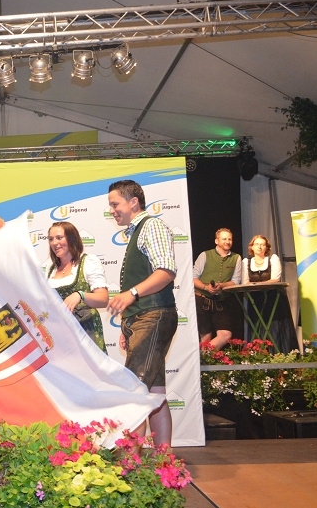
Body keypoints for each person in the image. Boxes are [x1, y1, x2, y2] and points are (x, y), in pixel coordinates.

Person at [106, 180, 177, 448]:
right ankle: (164, 459)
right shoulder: (138, 231)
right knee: (155, 393)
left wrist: (132, 294)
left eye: (115, 204)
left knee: (134, 392)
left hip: (153, 316)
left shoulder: (152, 226)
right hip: (144, 319)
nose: (112, 210)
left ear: (133, 202)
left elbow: (166, 271)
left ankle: (130, 461)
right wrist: (127, 326)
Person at [45, 221, 109, 350]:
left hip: (86, 330)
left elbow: (103, 299)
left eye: (59, 238)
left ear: (71, 238)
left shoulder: (87, 262)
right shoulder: (49, 269)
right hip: (60, 333)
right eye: (51, 239)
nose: (54, 243)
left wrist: (80, 295)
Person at [241, 234, 297, 353]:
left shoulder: (273, 259)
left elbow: (275, 279)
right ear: (252, 247)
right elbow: (245, 282)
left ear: (266, 247)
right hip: (256, 300)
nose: (259, 247)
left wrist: (255, 284)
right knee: (258, 328)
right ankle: (260, 356)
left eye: (262, 244)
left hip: (274, 299)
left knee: (275, 328)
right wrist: (255, 285)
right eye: (257, 244)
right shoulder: (246, 262)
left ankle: (278, 356)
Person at [193, 228, 243, 350]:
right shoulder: (205, 255)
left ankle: (201, 356)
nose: (227, 241)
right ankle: (203, 360)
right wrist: (206, 287)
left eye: (230, 239)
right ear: (217, 241)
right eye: (224, 239)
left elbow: (236, 281)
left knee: (225, 335)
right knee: (206, 337)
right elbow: (193, 278)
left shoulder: (236, 257)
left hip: (222, 301)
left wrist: (221, 286)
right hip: (202, 299)